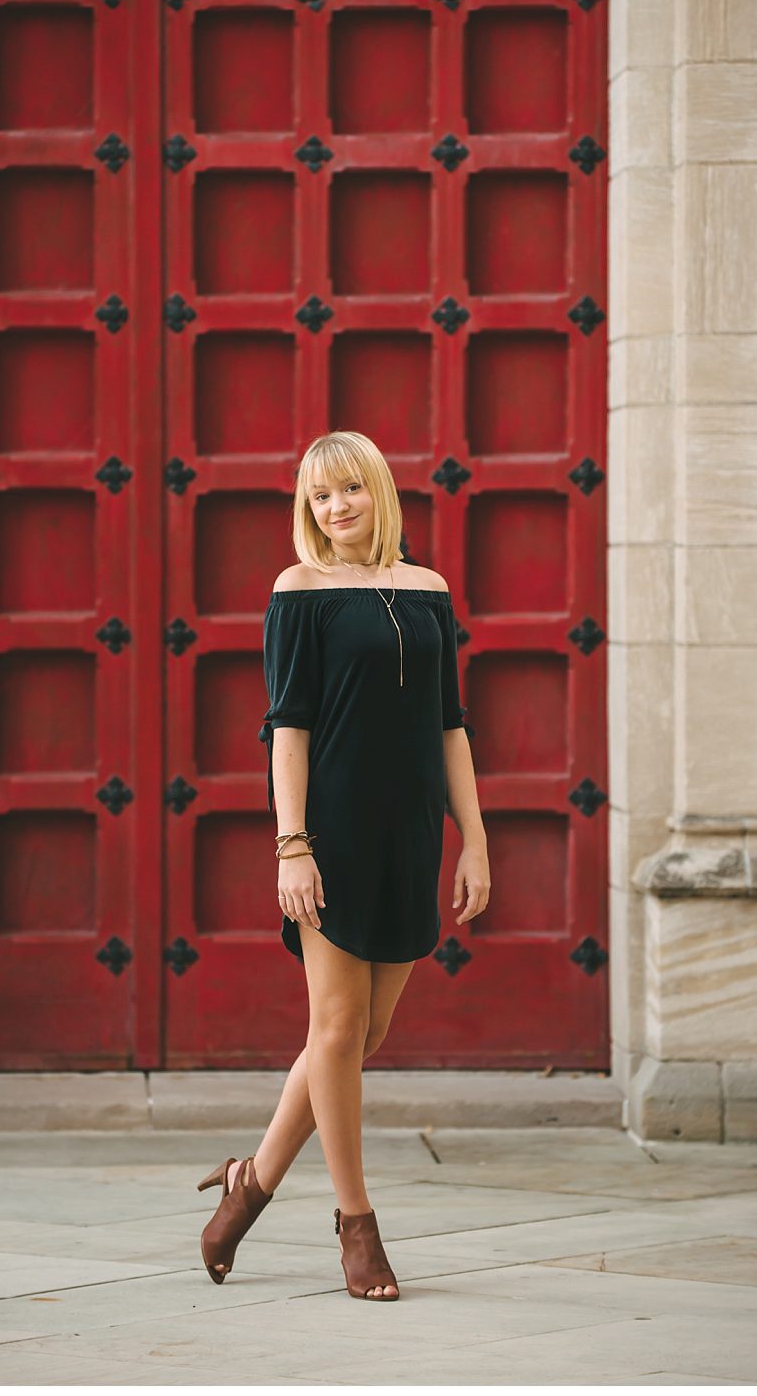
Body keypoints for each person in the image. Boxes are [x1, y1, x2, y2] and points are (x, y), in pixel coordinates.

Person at [197, 430, 491, 1299]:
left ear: (379, 492)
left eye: (350, 490)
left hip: (410, 836)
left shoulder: (428, 590)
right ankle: (356, 1225)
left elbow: (451, 727)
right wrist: (293, 846)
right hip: (331, 836)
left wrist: (473, 837)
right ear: (308, 511)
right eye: (320, 498)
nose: (336, 509)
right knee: (334, 1032)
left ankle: (248, 1185)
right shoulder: (300, 592)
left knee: (362, 1037)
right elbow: (288, 730)